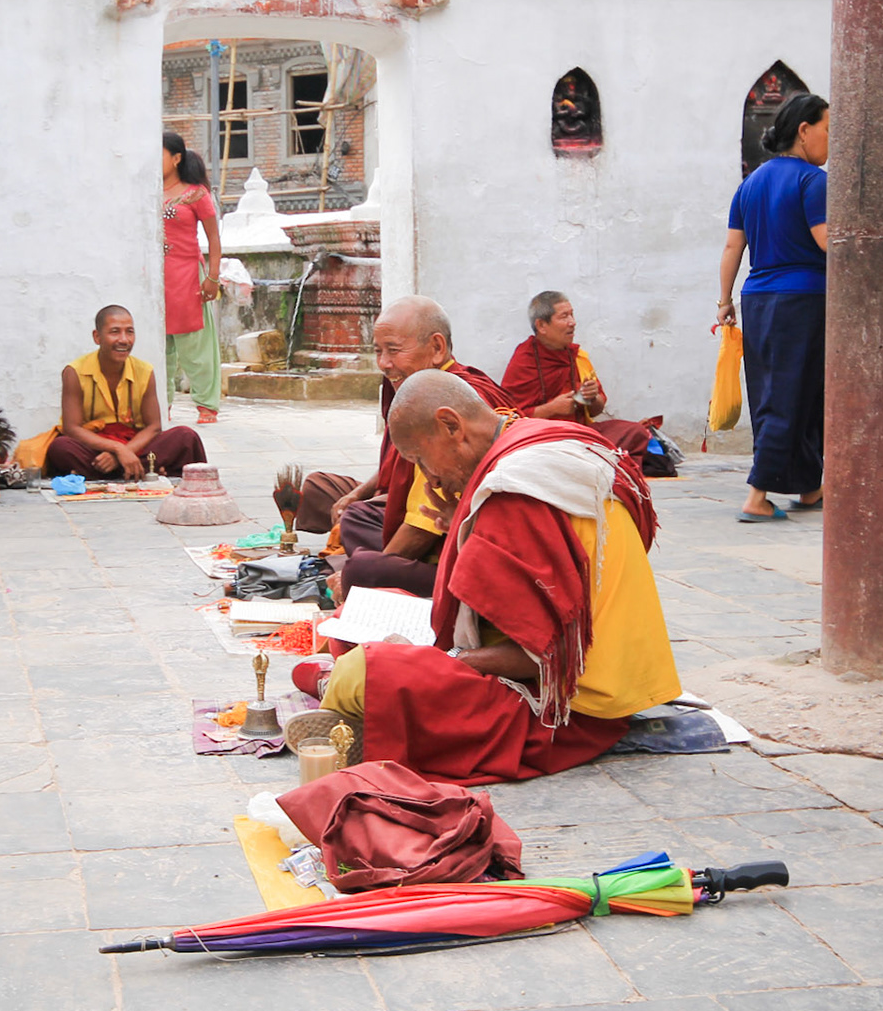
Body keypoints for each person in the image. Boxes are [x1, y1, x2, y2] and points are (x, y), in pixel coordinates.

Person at [291, 371, 680, 785]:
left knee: (364, 670)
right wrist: (462, 521)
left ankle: (351, 696)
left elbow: (541, 656)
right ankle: (355, 690)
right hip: (603, 672)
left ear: (451, 425)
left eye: (422, 460)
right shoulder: (530, 437)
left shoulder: (512, 494)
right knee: (363, 621)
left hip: (573, 706)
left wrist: (446, 661)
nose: (431, 479)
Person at [301, 297, 513, 601]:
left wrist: (376, 573)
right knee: (346, 505)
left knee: (361, 559)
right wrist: (361, 492)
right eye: (378, 352)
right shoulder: (422, 392)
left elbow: (425, 522)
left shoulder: (443, 406)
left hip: (463, 550)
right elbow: (402, 465)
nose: (385, 363)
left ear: (437, 348)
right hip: (448, 524)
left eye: (394, 350)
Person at [717, 92, 829, 523]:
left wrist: (724, 302)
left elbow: (732, 247)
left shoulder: (750, 183)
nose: (829, 141)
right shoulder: (812, 181)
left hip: (758, 298)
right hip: (802, 299)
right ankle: (757, 495)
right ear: (804, 131)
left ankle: (809, 486)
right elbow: (826, 242)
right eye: (826, 130)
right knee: (793, 394)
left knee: (780, 392)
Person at [45, 305, 208, 479]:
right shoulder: (75, 372)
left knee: (186, 437)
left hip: (135, 447)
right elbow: (71, 428)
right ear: (97, 337)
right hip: (96, 448)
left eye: (129, 332)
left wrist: (124, 452)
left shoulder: (144, 371)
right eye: (115, 332)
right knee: (60, 447)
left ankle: (106, 473)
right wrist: (116, 449)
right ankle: (146, 470)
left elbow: (154, 427)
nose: (124, 340)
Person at [500, 290, 652, 456]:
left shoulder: (578, 356)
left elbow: (596, 410)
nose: (572, 323)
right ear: (541, 326)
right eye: (564, 316)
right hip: (543, 440)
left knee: (636, 432)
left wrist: (592, 397)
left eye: (572, 315)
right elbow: (509, 418)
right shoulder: (524, 360)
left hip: (581, 434)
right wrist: (551, 408)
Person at [161, 132, 223, 424]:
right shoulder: (145, 193)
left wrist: (212, 276)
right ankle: (161, 403)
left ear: (176, 158)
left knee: (196, 343)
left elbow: (213, 237)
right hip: (155, 279)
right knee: (160, 344)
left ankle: (206, 404)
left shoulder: (196, 193)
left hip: (187, 275)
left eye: (160, 154)